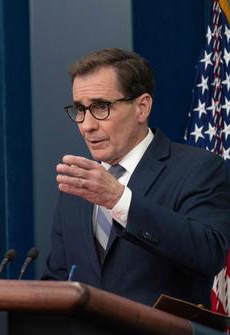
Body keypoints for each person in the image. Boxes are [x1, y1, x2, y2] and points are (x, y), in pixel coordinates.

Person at [43, 48, 230, 308]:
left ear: (142, 108)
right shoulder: (79, 186)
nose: (86, 125)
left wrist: (119, 200)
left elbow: (209, 253)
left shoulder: (198, 169)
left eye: (100, 107)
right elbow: (58, 280)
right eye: (79, 110)